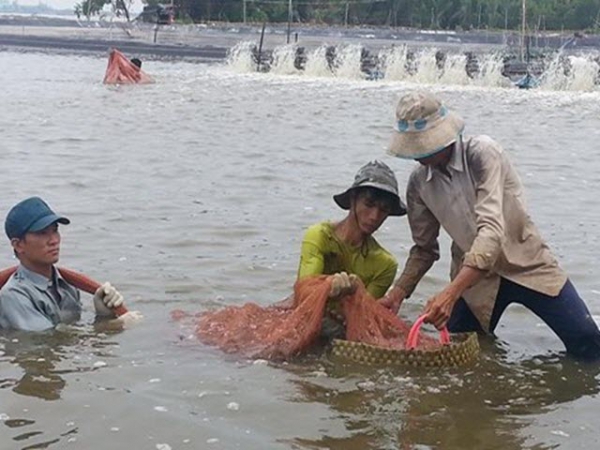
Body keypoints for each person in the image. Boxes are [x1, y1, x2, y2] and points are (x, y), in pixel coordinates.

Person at [381, 90, 600, 359]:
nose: (415, 154)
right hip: (474, 280)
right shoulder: (418, 184)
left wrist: (449, 294)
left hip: (526, 261)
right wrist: (398, 292)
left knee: (588, 341)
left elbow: (492, 233)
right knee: (457, 353)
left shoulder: (482, 154)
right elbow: (424, 249)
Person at [296, 160, 406, 337]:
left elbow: (364, 318)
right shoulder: (320, 236)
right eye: (369, 204)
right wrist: (328, 287)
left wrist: (356, 291)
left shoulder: (385, 264)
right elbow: (304, 295)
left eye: (383, 210)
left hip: (341, 329)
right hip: (307, 320)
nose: (374, 216)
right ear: (353, 200)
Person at [0, 197, 126, 331]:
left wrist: (104, 315)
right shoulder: (14, 296)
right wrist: (117, 324)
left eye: (55, 230)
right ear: (18, 245)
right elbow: (49, 342)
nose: (53, 240)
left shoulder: (68, 286)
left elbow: (71, 332)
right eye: (42, 233)